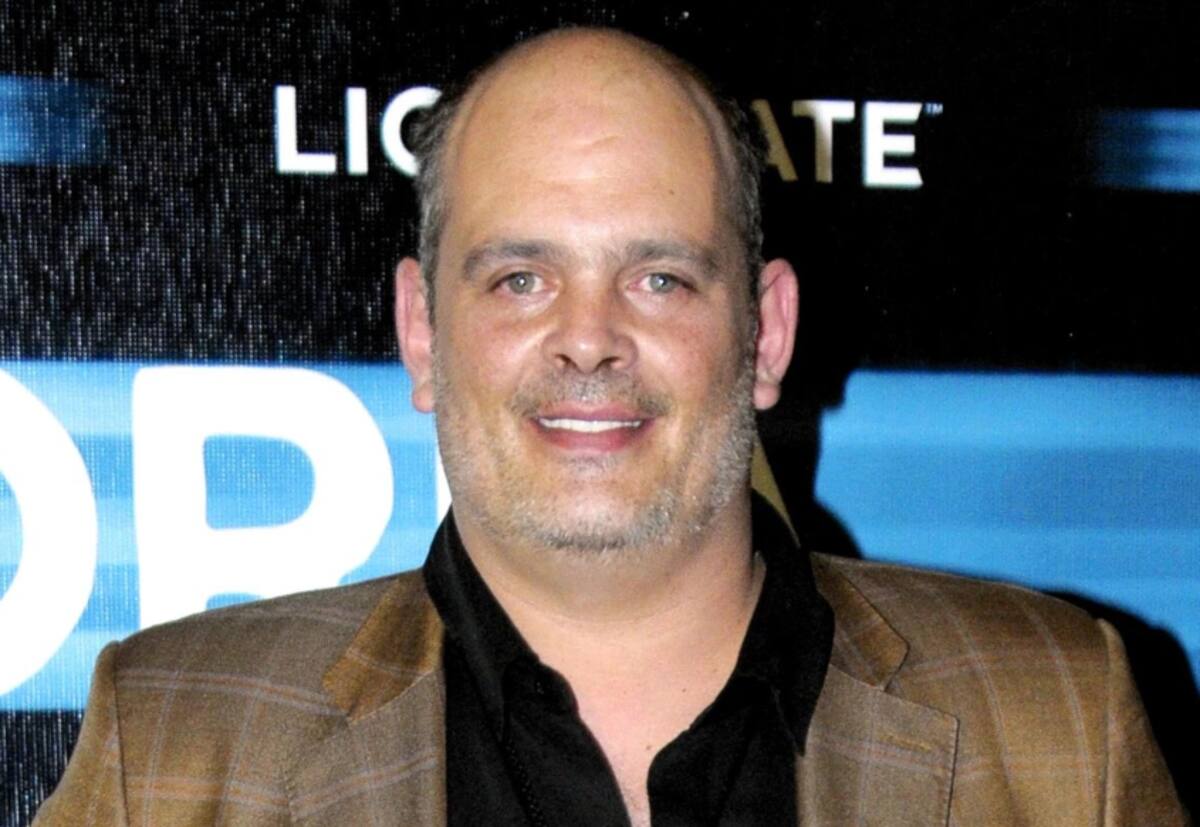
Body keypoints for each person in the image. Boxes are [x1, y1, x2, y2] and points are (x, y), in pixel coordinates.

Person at [35, 26, 1186, 826]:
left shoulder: (1056, 716)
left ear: (768, 332)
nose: (588, 340)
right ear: (422, 331)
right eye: (521, 279)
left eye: (659, 278)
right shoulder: (177, 744)